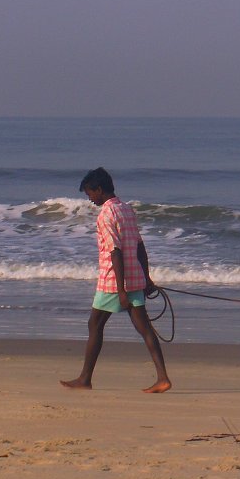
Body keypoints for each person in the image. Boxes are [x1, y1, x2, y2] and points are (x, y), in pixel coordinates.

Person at [60, 167, 172, 393]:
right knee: (145, 328)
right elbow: (140, 246)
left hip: (113, 280)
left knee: (94, 324)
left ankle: (84, 379)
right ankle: (162, 378)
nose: (90, 199)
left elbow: (115, 252)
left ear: (99, 190)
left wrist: (121, 290)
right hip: (135, 276)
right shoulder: (126, 209)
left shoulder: (106, 215)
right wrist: (146, 277)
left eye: (90, 193)